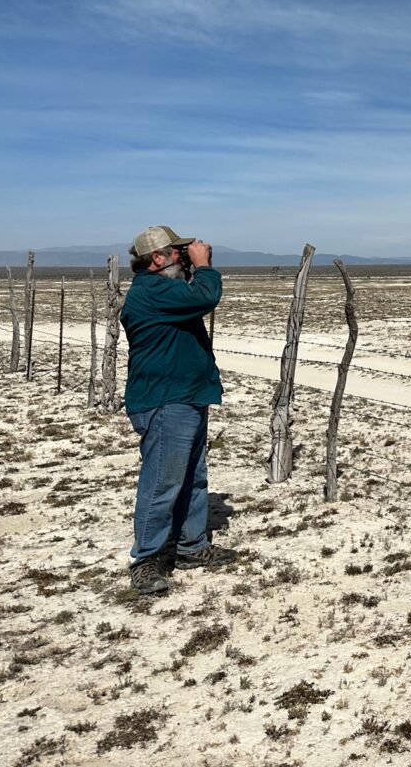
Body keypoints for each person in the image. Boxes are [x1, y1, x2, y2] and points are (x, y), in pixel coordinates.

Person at [122, 225, 236, 595]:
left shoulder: (165, 290)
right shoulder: (152, 291)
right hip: (166, 400)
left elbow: (193, 297)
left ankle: (191, 546)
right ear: (157, 258)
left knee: (192, 477)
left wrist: (193, 267)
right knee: (162, 481)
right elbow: (206, 295)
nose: (183, 257)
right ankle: (146, 559)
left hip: (184, 396)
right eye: (178, 252)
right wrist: (204, 267)